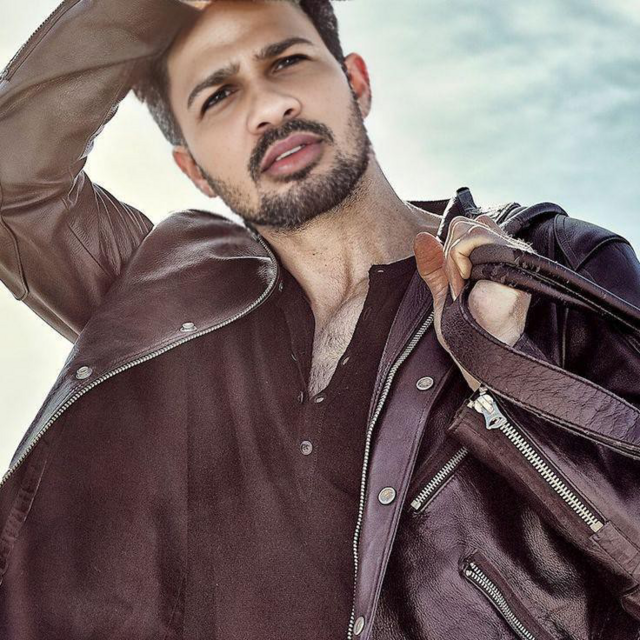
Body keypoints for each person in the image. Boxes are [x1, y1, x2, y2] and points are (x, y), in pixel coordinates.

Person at [0, 1, 639, 638]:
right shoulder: (165, 296)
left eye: (287, 61)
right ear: (194, 168)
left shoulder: (549, 266)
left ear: (356, 83)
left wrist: (508, 367)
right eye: (218, 96)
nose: (267, 106)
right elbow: (13, 180)